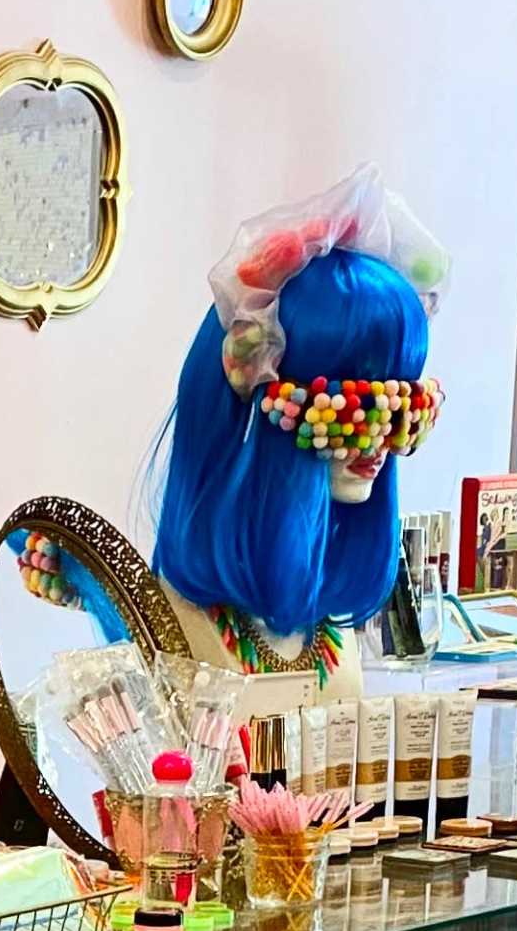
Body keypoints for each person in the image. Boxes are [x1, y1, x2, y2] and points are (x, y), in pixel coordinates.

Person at [147, 166, 449, 660]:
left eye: (401, 412)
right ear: (263, 402)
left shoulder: (332, 628)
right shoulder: (184, 630)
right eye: (353, 411)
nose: (378, 443)